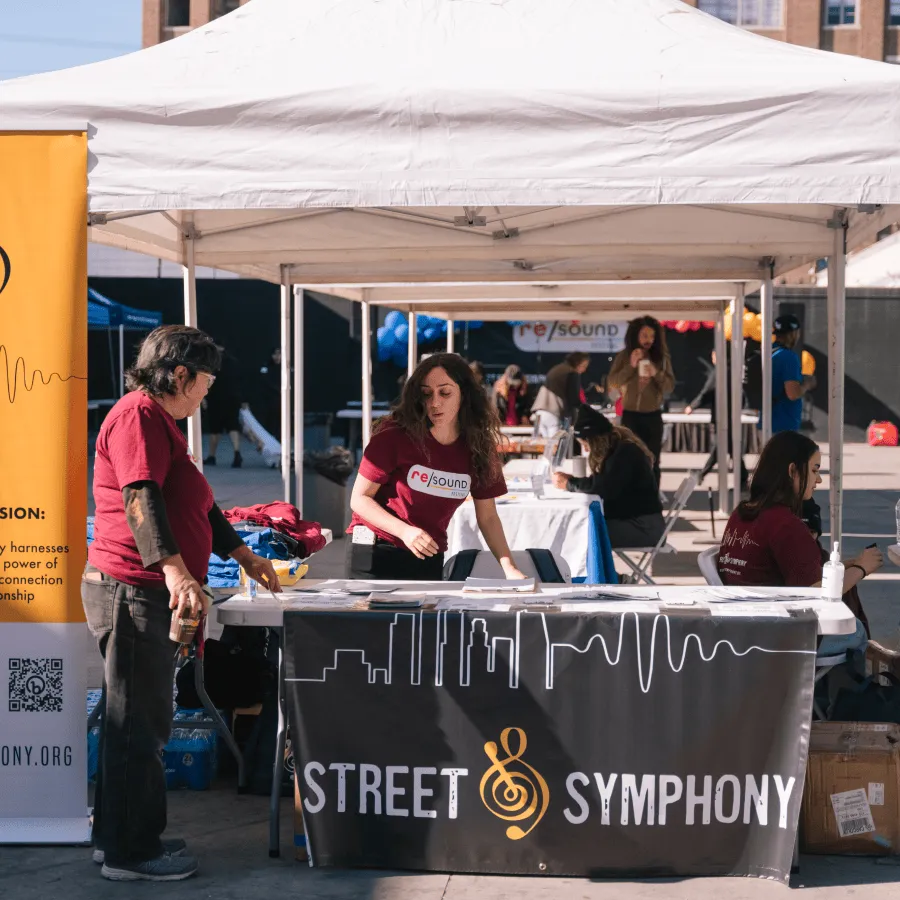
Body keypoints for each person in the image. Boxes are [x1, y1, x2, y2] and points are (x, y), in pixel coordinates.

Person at [83, 326, 282, 882]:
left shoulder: (161, 423)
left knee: (142, 719)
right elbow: (139, 496)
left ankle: (121, 837)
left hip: (142, 591)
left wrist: (244, 554)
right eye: (206, 382)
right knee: (137, 724)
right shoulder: (139, 416)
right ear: (179, 376)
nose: (207, 394)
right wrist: (174, 570)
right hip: (131, 590)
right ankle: (131, 853)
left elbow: (198, 503)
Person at [346, 353, 526, 581]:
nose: (435, 402)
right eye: (426, 394)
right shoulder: (394, 435)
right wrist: (404, 531)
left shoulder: (479, 446)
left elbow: (488, 516)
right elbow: (359, 499)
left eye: (445, 392)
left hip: (428, 555)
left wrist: (509, 567)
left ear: (464, 394)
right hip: (375, 552)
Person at [716, 430, 881, 656]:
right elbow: (817, 595)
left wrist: (846, 565)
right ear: (792, 471)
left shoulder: (741, 514)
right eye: (814, 470)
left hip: (743, 629)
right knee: (857, 631)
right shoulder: (785, 524)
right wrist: (862, 569)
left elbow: (774, 567)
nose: (819, 479)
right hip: (783, 637)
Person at [552, 405, 664, 549]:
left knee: (580, 533)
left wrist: (570, 483)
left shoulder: (624, 453)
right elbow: (602, 483)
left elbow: (603, 487)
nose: (586, 450)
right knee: (580, 529)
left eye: (586, 445)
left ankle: (599, 572)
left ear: (595, 440)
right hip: (639, 522)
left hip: (644, 528)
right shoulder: (619, 449)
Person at [607, 317, 674, 485]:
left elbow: (669, 386)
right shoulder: (624, 356)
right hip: (630, 415)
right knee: (629, 459)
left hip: (652, 416)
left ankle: (652, 500)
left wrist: (656, 372)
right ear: (635, 335)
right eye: (644, 335)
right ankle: (630, 499)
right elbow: (613, 383)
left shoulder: (662, 357)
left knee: (653, 460)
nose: (648, 340)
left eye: (652, 336)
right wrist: (631, 365)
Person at [685, 347, 749, 489]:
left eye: (714, 355)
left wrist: (692, 406)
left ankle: (702, 474)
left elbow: (706, 393)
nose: (712, 358)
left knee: (721, 447)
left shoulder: (718, 373)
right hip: (731, 415)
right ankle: (743, 479)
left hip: (721, 417)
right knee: (732, 448)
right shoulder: (732, 372)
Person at [770, 313, 816, 434]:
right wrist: (807, 384)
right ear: (793, 334)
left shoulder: (768, 352)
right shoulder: (788, 357)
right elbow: (793, 393)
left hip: (767, 421)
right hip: (783, 425)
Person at [202, 350, 245, 468]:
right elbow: (240, 381)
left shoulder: (212, 363)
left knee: (215, 429)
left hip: (216, 399)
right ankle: (237, 452)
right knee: (233, 426)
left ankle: (212, 456)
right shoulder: (234, 362)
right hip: (233, 399)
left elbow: (208, 381)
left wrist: (203, 397)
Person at [530, 352, 589, 437]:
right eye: (584, 365)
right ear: (578, 363)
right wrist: (577, 419)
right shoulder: (571, 372)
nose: (584, 370)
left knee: (545, 446)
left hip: (539, 412)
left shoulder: (558, 368)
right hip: (553, 414)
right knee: (555, 447)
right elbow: (573, 400)